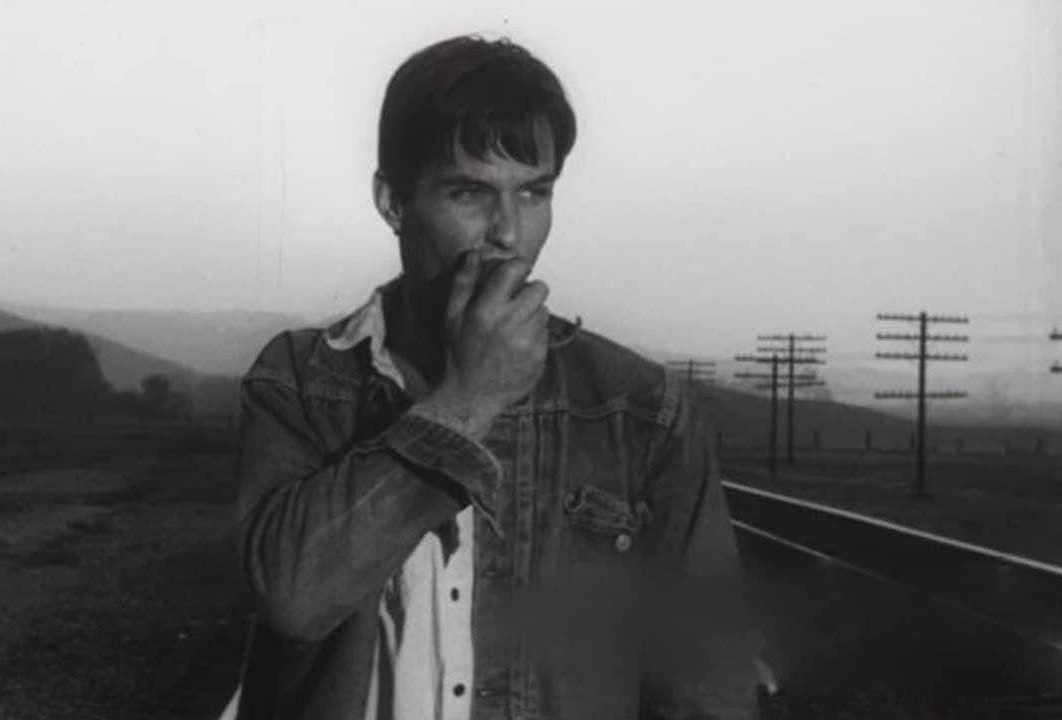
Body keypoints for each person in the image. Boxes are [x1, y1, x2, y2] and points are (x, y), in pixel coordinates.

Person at [226, 34, 758, 720]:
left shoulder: (638, 410)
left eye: (534, 192)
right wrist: (469, 400)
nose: (509, 233)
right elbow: (294, 600)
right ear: (393, 202)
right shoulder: (302, 381)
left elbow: (705, 688)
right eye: (470, 193)